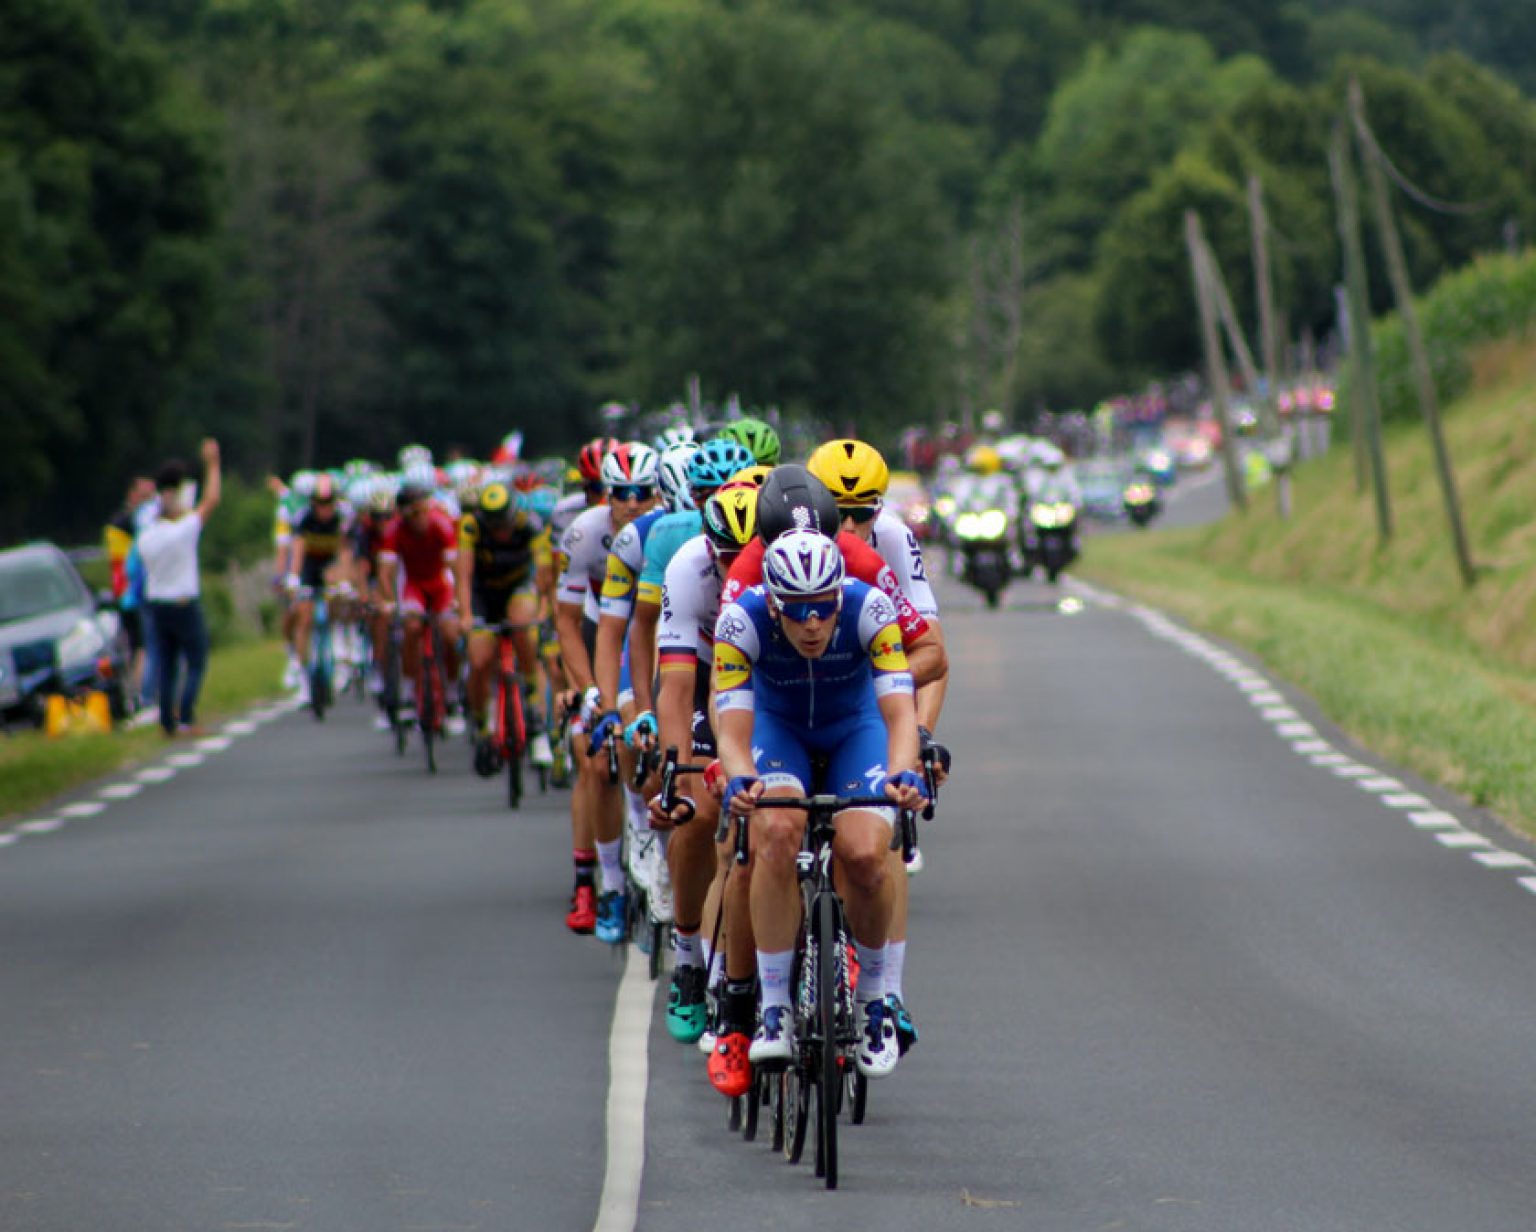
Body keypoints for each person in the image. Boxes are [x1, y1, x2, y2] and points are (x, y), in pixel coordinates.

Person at [710, 529, 927, 1096]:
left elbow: (900, 714)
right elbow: (730, 731)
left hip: (857, 725)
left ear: (838, 595)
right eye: (798, 612)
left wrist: (905, 773)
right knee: (777, 830)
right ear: (774, 603)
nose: (812, 624)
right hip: (777, 728)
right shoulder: (741, 620)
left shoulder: (870, 608)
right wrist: (739, 779)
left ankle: (876, 996)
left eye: (822, 609)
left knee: (864, 855)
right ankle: (775, 1006)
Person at [137, 439, 222, 737]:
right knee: (196, 660)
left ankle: (166, 721)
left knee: (167, 664)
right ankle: (185, 715)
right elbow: (211, 500)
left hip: (157, 603)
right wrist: (213, 464)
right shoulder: (182, 530)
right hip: (183, 602)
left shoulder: (147, 536)